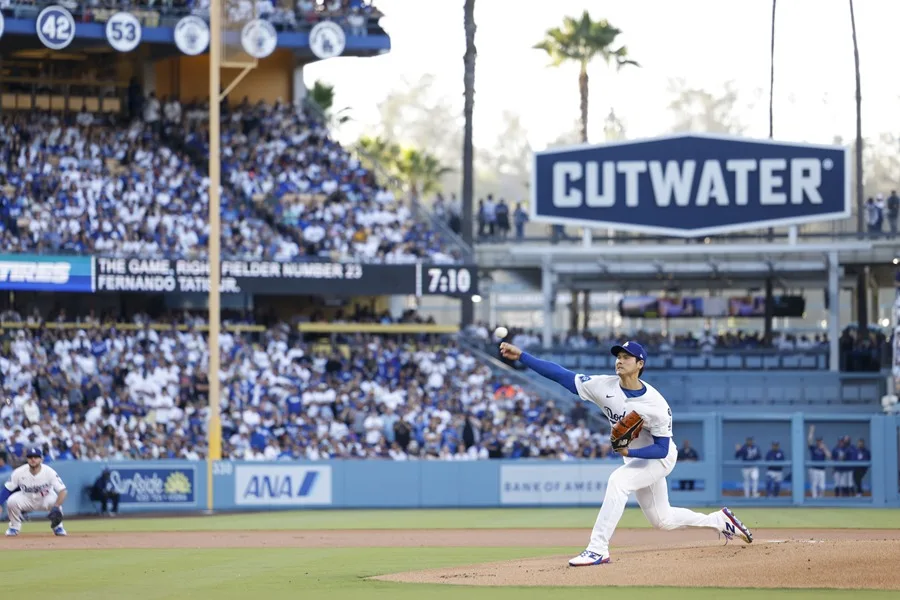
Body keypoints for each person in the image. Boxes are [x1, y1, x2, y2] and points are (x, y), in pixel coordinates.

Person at [499, 339, 753, 567]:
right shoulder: (603, 386)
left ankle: (597, 549)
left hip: (659, 459)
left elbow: (662, 448)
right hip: (635, 459)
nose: (619, 361)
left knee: (618, 481)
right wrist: (522, 356)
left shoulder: (655, 404)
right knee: (662, 520)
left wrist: (629, 449)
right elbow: (560, 375)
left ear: (639, 364)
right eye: (618, 356)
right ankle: (720, 521)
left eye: (626, 357)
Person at [0, 447, 68, 536]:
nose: (33, 459)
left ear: (41, 459)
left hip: (45, 498)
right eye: (30, 457)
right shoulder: (19, 472)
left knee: (55, 499)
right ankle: (14, 527)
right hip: (26, 498)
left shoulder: (49, 472)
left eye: (36, 457)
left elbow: (63, 491)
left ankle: (58, 527)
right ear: (27, 459)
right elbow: (7, 489)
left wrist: (56, 506)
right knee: (12, 501)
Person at [807, 425, 827, 498]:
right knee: (814, 485)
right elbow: (809, 441)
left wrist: (824, 448)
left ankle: (821, 499)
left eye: (820, 441)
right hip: (814, 469)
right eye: (818, 441)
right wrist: (811, 431)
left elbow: (829, 456)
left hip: (822, 470)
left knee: (822, 486)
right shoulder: (813, 448)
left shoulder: (823, 448)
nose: (819, 442)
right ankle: (814, 498)